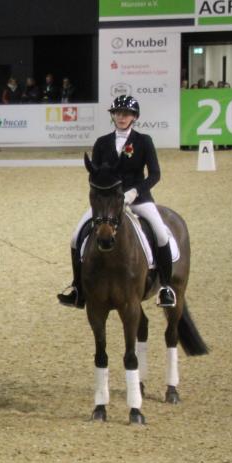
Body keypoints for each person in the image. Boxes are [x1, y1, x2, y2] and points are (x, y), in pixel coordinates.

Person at [58, 95, 176, 310]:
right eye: (118, 113)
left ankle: (165, 287)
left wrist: (134, 192)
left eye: (127, 114)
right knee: (76, 236)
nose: (122, 117)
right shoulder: (102, 143)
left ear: (134, 117)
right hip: (108, 202)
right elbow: (94, 175)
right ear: (113, 116)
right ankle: (78, 288)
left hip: (138, 199)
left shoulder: (144, 141)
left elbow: (155, 174)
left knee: (160, 233)